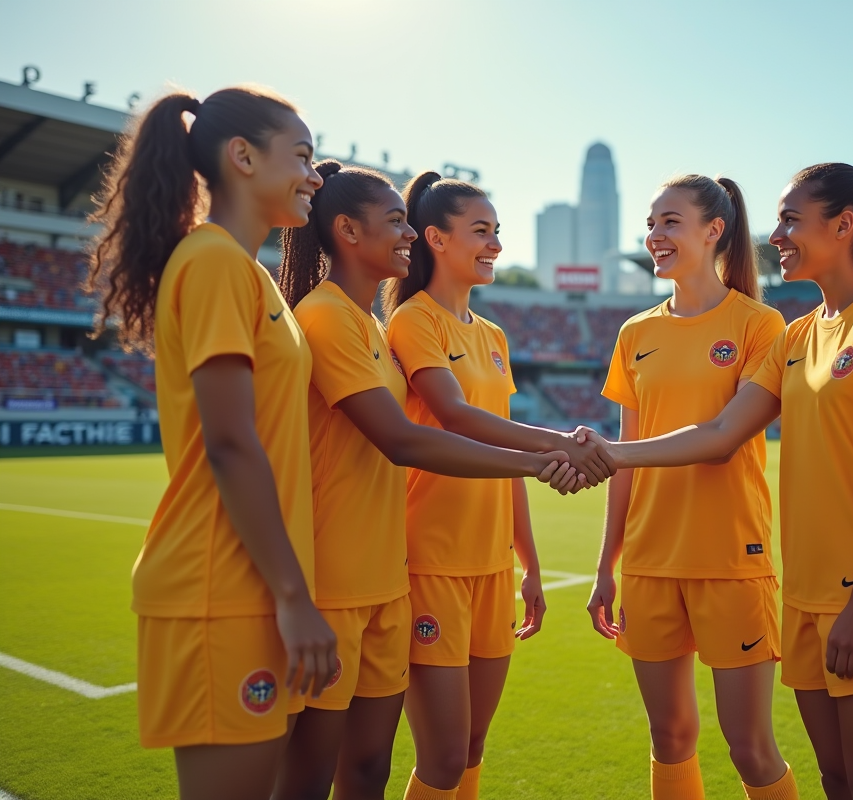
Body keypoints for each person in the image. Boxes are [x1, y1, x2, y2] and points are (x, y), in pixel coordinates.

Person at [582, 165, 853, 799]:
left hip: (820, 585)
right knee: (833, 777)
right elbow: (696, 436)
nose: (777, 234)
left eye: (791, 220)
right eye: (650, 223)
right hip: (787, 588)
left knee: (839, 773)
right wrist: (610, 507)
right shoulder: (793, 336)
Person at [270, 160, 578, 800]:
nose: (407, 234)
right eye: (396, 224)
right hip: (358, 573)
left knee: (376, 767)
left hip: (393, 575)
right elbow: (411, 436)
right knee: (316, 772)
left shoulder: (380, 331)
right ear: (349, 231)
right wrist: (551, 455)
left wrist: (528, 556)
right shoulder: (339, 317)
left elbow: (476, 427)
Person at [85, 86, 337, 800]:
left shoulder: (247, 272)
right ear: (243, 157)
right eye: (303, 156)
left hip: (248, 587)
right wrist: (294, 596)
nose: (315, 175)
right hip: (217, 590)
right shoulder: (215, 262)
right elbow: (230, 443)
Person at [382, 171, 615, 800]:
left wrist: (529, 565)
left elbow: (501, 443)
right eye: (481, 232)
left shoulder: (492, 336)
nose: (495, 246)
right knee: (443, 756)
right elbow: (455, 416)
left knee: (473, 747)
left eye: (496, 233)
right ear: (435, 237)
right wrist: (560, 446)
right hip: (430, 561)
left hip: (490, 570)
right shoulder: (413, 321)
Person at [583, 175, 796, 800]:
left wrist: (610, 452)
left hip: (730, 561)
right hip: (650, 565)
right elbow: (622, 466)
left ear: (714, 231)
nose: (655, 235)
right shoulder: (635, 334)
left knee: (750, 747)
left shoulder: (762, 325)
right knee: (669, 738)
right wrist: (606, 567)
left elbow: (722, 438)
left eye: (670, 222)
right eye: (651, 224)